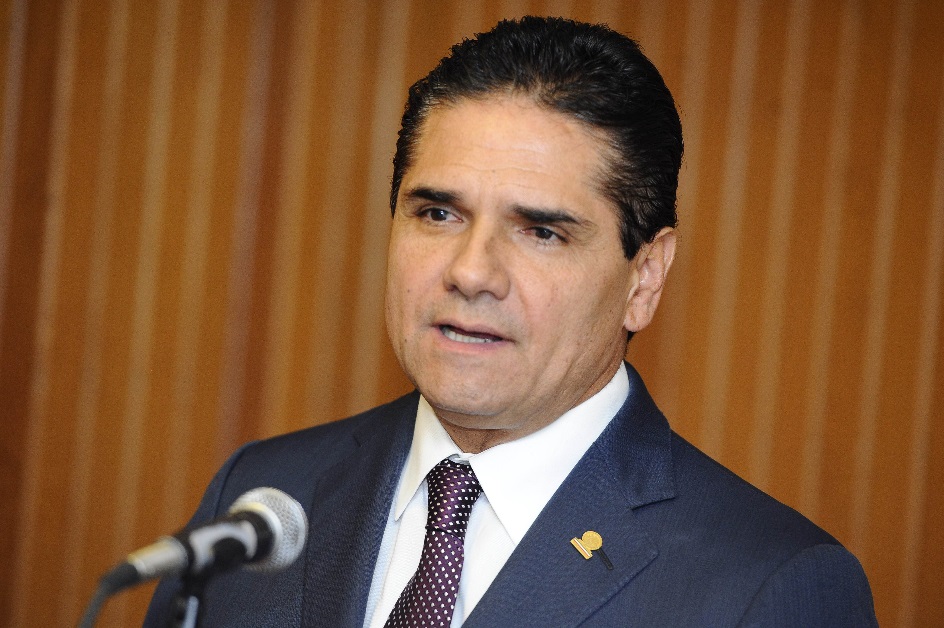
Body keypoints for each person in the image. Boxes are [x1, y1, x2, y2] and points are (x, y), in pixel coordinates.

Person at [145, 16, 876, 627]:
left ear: (645, 277)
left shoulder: (768, 587)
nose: (471, 272)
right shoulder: (264, 497)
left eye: (542, 232)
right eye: (438, 214)